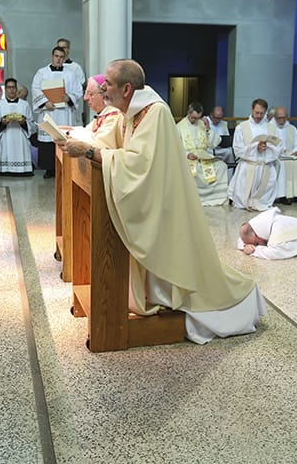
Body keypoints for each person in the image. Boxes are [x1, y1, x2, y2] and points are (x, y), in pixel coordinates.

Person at [55, 59, 266, 345]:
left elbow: (138, 164)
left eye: (109, 85)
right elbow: (115, 146)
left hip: (164, 207)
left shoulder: (154, 113)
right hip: (154, 200)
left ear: (127, 88)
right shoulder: (130, 112)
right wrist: (83, 142)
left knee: (179, 268)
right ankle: (148, 294)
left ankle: (183, 298)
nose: (104, 90)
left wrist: (89, 153)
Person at [32, 46, 83, 178]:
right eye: (56, 56)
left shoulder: (70, 74)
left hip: (64, 113)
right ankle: (50, 169)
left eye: (61, 57)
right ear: (52, 56)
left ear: (65, 58)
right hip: (48, 112)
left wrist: (69, 97)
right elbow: (35, 89)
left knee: (63, 139)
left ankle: (64, 168)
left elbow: (78, 91)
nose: (59, 59)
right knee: (48, 140)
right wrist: (44, 102)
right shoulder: (42, 73)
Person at [228, 98, 283, 211]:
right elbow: (238, 149)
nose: (258, 116)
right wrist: (255, 147)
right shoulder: (241, 127)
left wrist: (268, 147)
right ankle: (246, 202)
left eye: (261, 113)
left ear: (265, 112)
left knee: (268, 183)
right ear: (252, 109)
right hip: (249, 165)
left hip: (265, 165)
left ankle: (260, 202)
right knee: (244, 193)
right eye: (256, 112)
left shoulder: (271, 128)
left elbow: (279, 147)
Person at [176, 102, 229, 206]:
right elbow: (176, 146)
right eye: (193, 118)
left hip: (204, 157)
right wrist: (187, 154)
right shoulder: (179, 127)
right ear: (188, 113)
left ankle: (215, 198)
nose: (195, 120)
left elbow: (214, 143)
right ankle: (193, 198)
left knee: (222, 166)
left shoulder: (202, 124)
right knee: (191, 169)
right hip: (189, 158)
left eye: (197, 118)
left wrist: (208, 128)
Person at [0, 78, 34, 176]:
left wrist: (23, 123)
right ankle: (6, 168)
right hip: (6, 136)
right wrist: (2, 123)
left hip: (20, 136)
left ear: (16, 89)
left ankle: (23, 169)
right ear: (5, 89)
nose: (11, 90)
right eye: (9, 87)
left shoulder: (25, 104)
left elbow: (31, 122)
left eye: (13, 87)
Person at [270, 107, 297, 205]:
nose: (281, 120)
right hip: (278, 157)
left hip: (291, 156)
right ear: (274, 117)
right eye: (279, 118)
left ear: (287, 117)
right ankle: (283, 195)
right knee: (282, 164)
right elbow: (269, 145)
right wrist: (280, 152)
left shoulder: (291, 128)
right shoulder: (269, 128)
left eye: (284, 118)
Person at [66, 74, 124, 149]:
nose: (85, 98)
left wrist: (70, 133)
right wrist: (66, 130)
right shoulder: (103, 114)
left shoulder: (114, 116)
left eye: (90, 94)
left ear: (105, 95)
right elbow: (86, 131)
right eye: (86, 93)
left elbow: (100, 145)